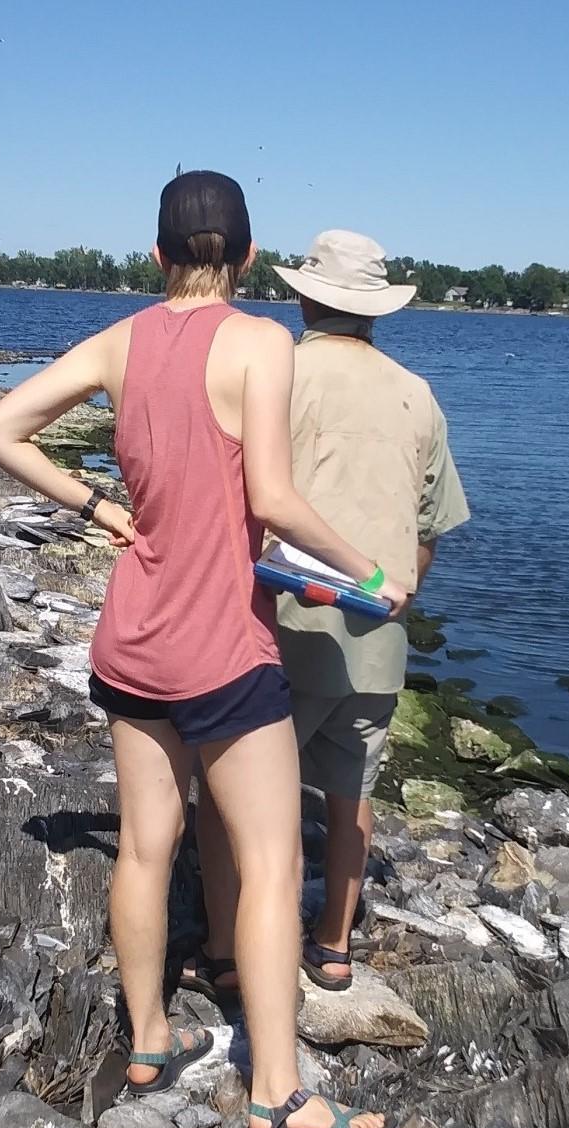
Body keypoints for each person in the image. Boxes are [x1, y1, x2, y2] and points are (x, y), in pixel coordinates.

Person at [0, 175, 407, 1128]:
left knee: (145, 845)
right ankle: (281, 1095)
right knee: (268, 863)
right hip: (222, 646)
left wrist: (96, 508)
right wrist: (370, 571)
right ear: (248, 259)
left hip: (132, 637)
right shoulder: (262, 343)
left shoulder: (118, 341)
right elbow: (277, 501)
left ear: (159, 253)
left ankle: (151, 1044)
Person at [185, 229, 468, 996]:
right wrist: (390, 592)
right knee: (353, 796)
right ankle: (335, 944)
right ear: (376, 310)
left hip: (279, 625)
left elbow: (225, 498)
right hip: (378, 636)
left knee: (228, 796)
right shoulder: (417, 393)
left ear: (306, 297)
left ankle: (225, 946)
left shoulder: (278, 372)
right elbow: (429, 533)